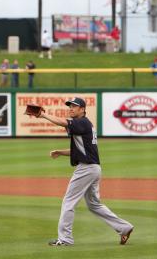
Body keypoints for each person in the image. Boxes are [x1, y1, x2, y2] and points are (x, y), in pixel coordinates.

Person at [35, 97, 134, 246]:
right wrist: (60, 152)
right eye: (70, 106)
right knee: (94, 204)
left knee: (68, 202)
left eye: (74, 106)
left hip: (86, 169)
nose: (71, 108)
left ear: (82, 109)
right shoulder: (85, 125)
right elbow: (79, 151)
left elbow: (62, 122)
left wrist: (43, 115)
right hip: (94, 168)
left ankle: (65, 239)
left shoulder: (82, 122)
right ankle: (124, 227)